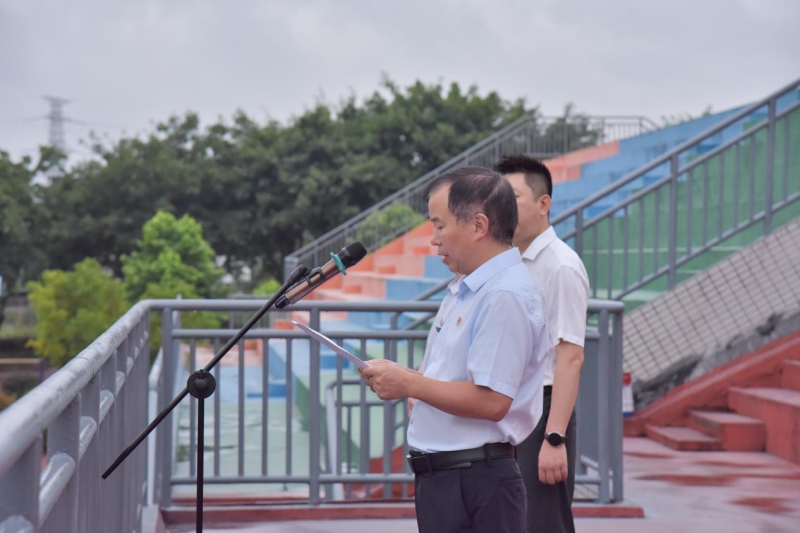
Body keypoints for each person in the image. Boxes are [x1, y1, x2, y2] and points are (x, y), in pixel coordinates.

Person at [360, 166, 549, 533]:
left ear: (478, 226)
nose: (434, 240)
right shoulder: (469, 287)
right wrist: (413, 381)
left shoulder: (504, 294)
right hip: (452, 477)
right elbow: (454, 374)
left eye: (440, 225)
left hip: (475, 480)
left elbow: (493, 401)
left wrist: (412, 384)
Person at [494, 155, 590, 533]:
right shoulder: (508, 261)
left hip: (542, 411)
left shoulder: (560, 266)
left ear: (543, 203)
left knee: (543, 523)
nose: (501, 207)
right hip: (509, 405)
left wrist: (554, 438)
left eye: (512, 197)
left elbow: (570, 357)